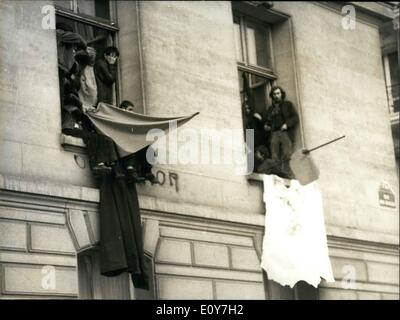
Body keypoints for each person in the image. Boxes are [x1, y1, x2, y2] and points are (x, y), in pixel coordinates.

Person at [263, 86, 299, 179]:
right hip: (274, 133)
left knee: (287, 154)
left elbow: (295, 117)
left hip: (285, 133)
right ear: (272, 96)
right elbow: (267, 121)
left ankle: (287, 175)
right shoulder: (270, 109)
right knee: (274, 156)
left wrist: (287, 124)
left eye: (278, 93)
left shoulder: (288, 105)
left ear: (282, 94)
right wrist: (267, 126)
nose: (276, 96)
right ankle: (277, 175)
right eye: (274, 94)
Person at [118, 101, 158, 184]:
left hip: (134, 145)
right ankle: (130, 170)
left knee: (148, 148)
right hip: (124, 144)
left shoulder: (133, 121)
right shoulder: (118, 119)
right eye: (130, 109)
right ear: (123, 109)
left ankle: (147, 172)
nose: (132, 112)